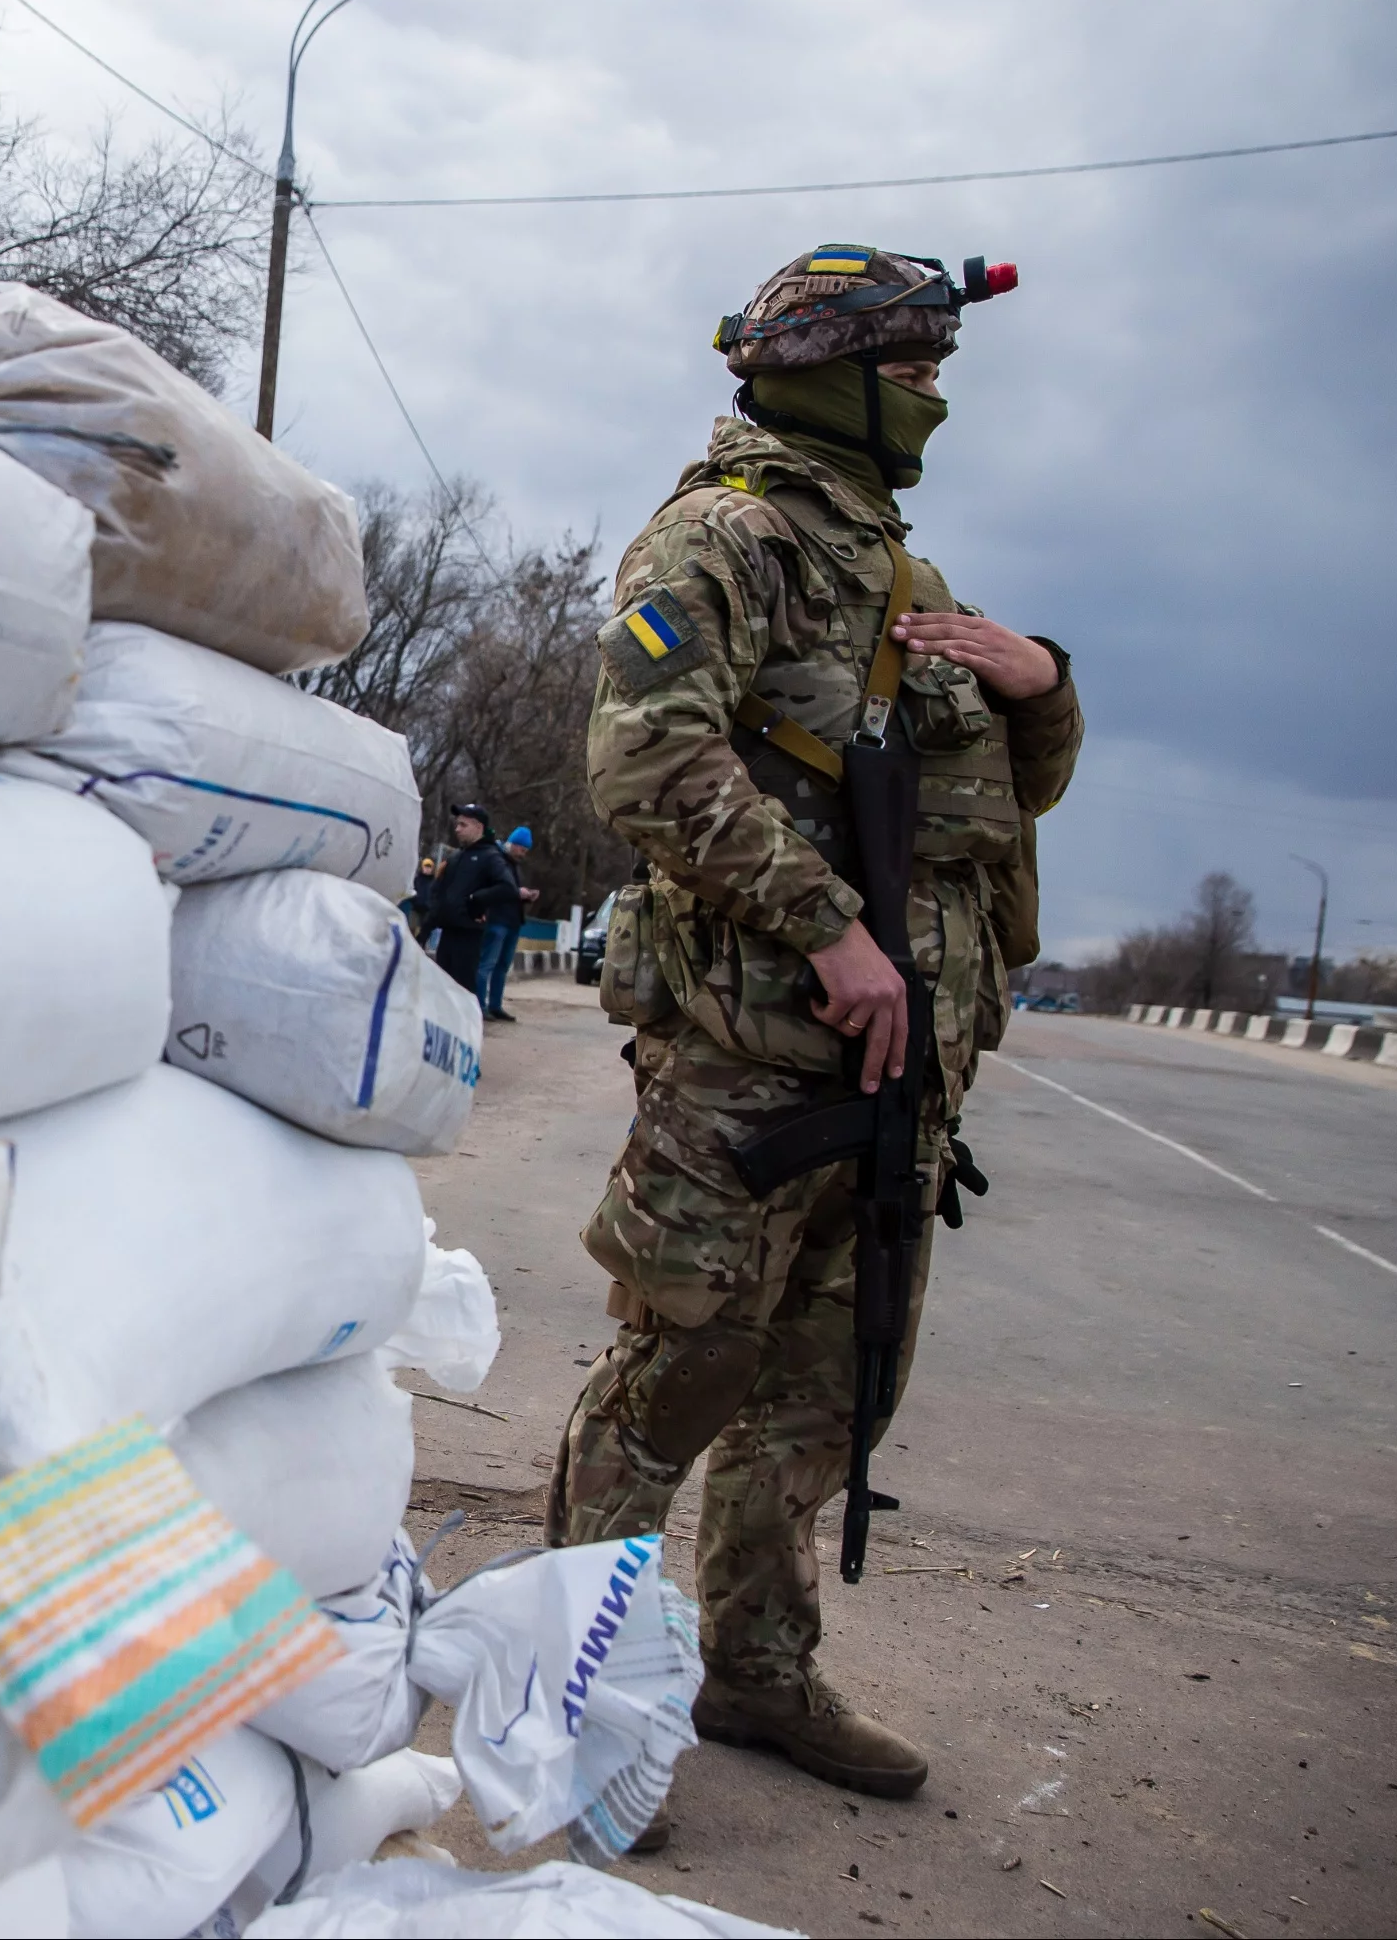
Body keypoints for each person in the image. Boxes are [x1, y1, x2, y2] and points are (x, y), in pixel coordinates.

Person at [544, 245, 1082, 1803]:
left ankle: (757, 1676)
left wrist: (1041, 684)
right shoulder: (727, 536)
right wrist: (828, 925)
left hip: (897, 1078)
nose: (933, 401)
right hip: (751, 1065)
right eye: (912, 374)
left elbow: (1005, 793)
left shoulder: (905, 577)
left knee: (824, 1394)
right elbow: (645, 762)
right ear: (831, 374)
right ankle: (567, 1687)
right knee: (678, 1375)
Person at [425, 804, 521, 998]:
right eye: (457, 824)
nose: (457, 829)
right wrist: (424, 931)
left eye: (463, 825)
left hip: (468, 936)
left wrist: (477, 900)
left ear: (478, 827)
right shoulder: (456, 857)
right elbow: (441, 893)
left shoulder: (490, 856)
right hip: (447, 933)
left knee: (462, 991)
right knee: (441, 991)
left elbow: (508, 887)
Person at [476, 826, 542, 1021]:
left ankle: (495, 1005)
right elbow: (498, 889)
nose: (523, 854)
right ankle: (480, 1005)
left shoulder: (513, 865)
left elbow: (511, 889)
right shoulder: (497, 861)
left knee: (502, 966)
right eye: (522, 849)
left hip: (513, 920)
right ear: (513, 844)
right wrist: (517, 893)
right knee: (487, 963)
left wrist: (526, 896)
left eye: (526, 851)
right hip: (497, 919)